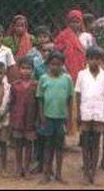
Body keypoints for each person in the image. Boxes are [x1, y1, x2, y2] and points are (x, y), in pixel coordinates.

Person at [76, 47, 104, 185]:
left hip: (99, 113)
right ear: (87, 60)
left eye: (97, 59)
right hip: (85, 112)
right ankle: (86, 171)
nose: (94, 61)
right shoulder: (82, 75)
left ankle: (93, 172)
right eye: (91, 58)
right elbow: (78, 94)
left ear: (101, 60)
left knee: (96, 142)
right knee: (85, 143)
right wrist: (78, 113)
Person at [36, 51, 74, 184]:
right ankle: (47, 173)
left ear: (62, 65)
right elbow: (40, 99)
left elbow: (70, 99)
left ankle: (58, 173)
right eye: (52, 64)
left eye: (58, 64)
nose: (55, 67)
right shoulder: (43, 79)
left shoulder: (67, 79)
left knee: (60, 146)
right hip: (48, 117)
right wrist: (41, 116)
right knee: (48, 146)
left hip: (61, 118)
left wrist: (69, 118)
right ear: (48, 64)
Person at [54, 9, 86, 136]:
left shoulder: (85, 37)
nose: (75, 24)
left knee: (81, 104)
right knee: (67, 105)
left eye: (77, 21)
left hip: (83, 73)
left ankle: (82, 136)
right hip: (67, 74)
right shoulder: (63, 35)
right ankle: (65, 133)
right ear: (68, 22)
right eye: (72, 21)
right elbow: (57, 52)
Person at [9, 57, 37, 179]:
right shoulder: (14, 85)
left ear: (33, 70)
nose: (26, 71)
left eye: (28, 68)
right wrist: (12, 119)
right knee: (18, 144)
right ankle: (18, 167)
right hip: (18, 119)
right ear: (19, 69)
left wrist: (38, 119)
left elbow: (38, 103)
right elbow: (12, 103)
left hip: (31, 120)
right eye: (23, 68)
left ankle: (27, 168)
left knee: (29, 144)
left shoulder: (36, 85)